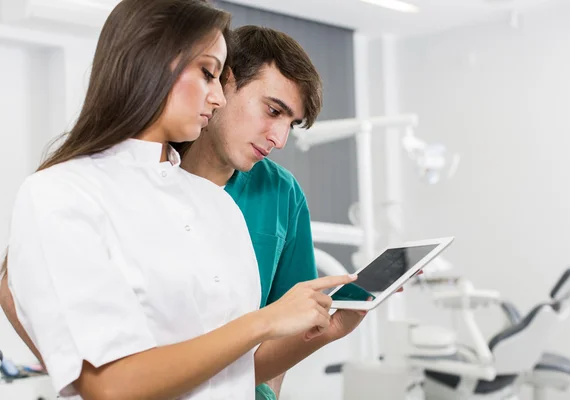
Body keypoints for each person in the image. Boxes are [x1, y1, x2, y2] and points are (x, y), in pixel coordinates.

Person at [0, 1, 357, 399]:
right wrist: (264, 323)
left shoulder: (217, 204)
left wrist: (330, 330)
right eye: (208, 73)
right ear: (152, 63)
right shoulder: (62, 192)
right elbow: (109, 385)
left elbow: (235, 372)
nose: (217, 96)